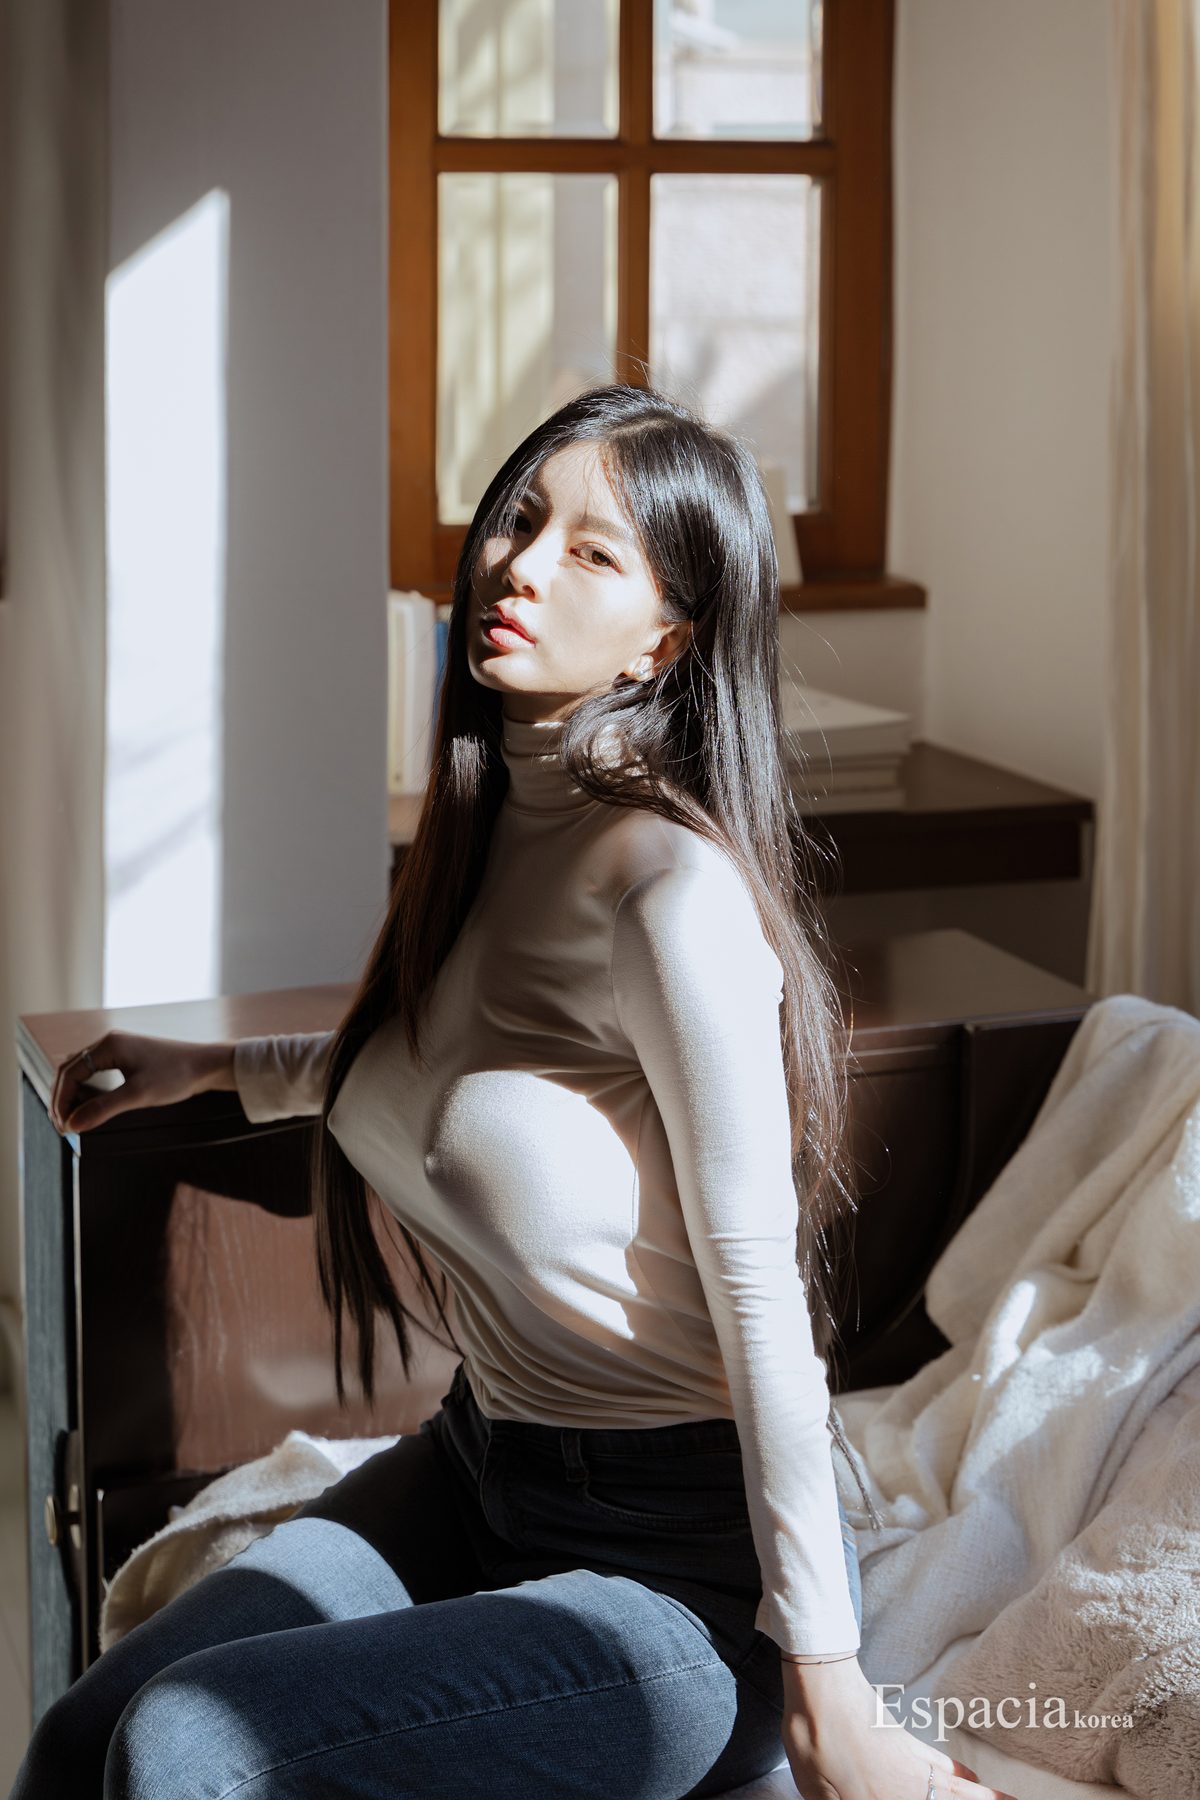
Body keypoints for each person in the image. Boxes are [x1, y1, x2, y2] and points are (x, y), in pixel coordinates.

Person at [13, 383, 1015, 1800]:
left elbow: (762, 1300)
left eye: (592, 552)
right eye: (520, 519)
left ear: (667, 639)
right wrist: (217, 1069)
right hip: (481, 1469)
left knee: (190, 1744)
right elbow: (458, 1069)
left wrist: (831, 1692)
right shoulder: (490, 827)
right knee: (84, 1736)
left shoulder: (667, 896)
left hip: (685, 1580)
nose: (520, 566)